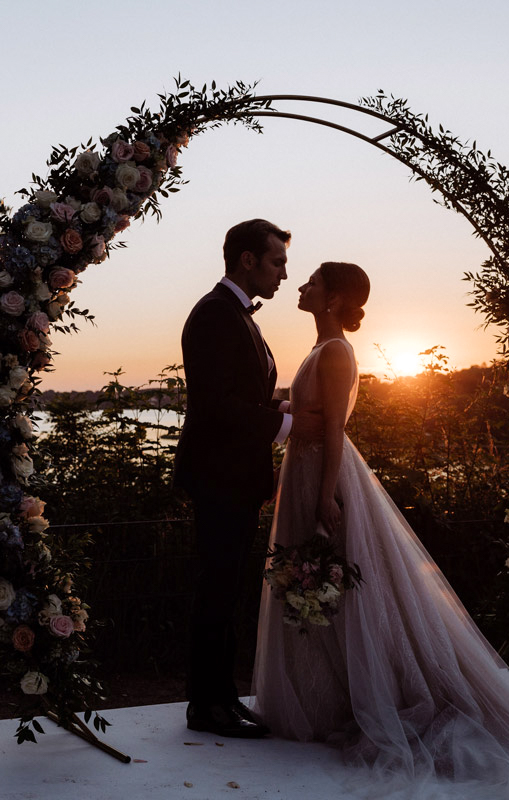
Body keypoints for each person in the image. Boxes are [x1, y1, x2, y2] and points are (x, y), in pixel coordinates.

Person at [251, 261, 509, 798]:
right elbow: (312, 415)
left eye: (313, 281)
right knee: (318, 583)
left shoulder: (335, 352)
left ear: (334, 299)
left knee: (336, 579)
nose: (303, 286)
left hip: (322, 472)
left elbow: (335, 428)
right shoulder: (320, 348)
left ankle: (363, 697)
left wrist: (325, 492)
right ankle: (328, 695)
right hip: (304, 466)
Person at [174, 218, 316, 738]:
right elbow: (215, 406)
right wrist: (290, 424)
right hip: (218, 477)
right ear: (248, 260)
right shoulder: (216, 314)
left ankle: (221, 699)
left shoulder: (238, 316)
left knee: (226, 591)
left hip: (234, 477)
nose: (283, 273)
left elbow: (243, 396)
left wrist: (283, 406)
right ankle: (205, 707)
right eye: (277, 261)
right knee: (216, 591)